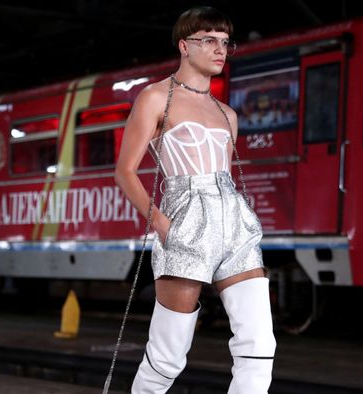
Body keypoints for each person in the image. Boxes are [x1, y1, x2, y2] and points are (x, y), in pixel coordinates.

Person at [114, 6, 276, 394]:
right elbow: (125, 171)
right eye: (209, 41)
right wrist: (163, 225)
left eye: (225, 42)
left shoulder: (228, 113)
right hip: (185, 214)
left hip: (234, 220)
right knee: (169, 356)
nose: (220, 49)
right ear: (185, 46)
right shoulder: (155, 98)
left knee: (259, 345)